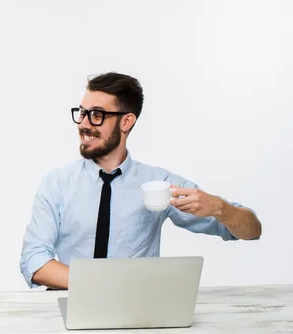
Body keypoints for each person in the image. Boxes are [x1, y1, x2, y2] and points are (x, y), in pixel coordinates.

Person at [19, 72, 262, 290]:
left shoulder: (160, 184)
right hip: (72, 302)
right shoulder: (56, 184)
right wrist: (100, 288)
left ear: (126, 122)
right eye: (82, 113)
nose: (83, 124)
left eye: (96, 115)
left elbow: (251, 230)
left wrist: (220, 208)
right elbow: (34, 260)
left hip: (136, 314)